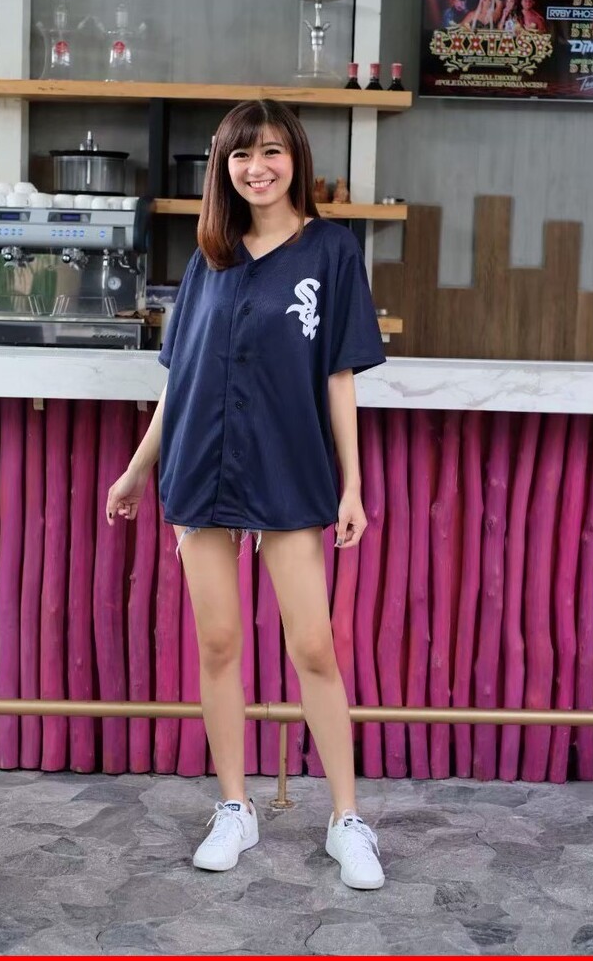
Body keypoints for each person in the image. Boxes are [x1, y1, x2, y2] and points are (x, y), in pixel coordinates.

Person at [104, 99, 387, 891]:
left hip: (290, 469)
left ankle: (346, 819)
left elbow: (338, 376)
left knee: (313, 647)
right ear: (221, 167)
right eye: (239, 155)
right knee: (220, 644)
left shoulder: (332, 251)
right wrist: (137, 470)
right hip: (201, 466)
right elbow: (181, 379)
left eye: (269, 152)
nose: (256, 168)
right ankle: (235, 807)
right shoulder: (210, 257)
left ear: (295, 157)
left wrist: (353, 484)